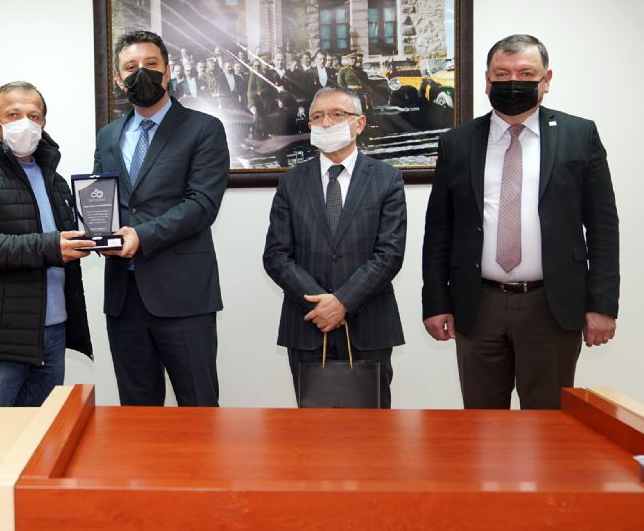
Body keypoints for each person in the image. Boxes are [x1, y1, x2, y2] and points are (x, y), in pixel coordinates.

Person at [422, 34, 619, 410]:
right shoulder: (456, 143)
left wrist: (603, 304)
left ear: (547, 80)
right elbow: (438, 231)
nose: (514, 82)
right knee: (481, 422)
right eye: (502, 74)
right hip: (477, 304)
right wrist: (435, 301)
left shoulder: (580, 135)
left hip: (552, 304)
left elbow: (603, 228)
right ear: (487, 80)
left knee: (548, 424)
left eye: (526, 73)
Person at [94, 30, 229, 406]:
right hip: (124, 297)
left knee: (199, 407)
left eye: (151, 64)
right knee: (136, 413)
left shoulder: (204, 129)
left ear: (168, 71)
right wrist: (97, 234)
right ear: (119, 79)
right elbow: (101, 199)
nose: (142, 72)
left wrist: (142, 236)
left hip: (184, 296)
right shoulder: (108, 136)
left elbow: (202, 204)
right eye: (131, 67)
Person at [0, 81, 94, 407]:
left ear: (43, 124)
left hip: (53, 330)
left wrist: (98, 237)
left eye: (34, 116)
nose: (25, 123)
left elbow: (63, 241)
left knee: (44, 431)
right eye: (13, 114)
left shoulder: (54, 180)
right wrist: (50, 248)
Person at [263, 88, 406, 408]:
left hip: (369, 325)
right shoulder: (291, 182)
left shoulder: (387, 179)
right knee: (314, 429)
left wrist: (342, 302)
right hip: (308, 323)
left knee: (372, 427)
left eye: (337, 114)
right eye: (318, 116)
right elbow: (276, 255)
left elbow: (389, 254)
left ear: (360, 123)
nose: (326, 123)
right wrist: (321, 304)